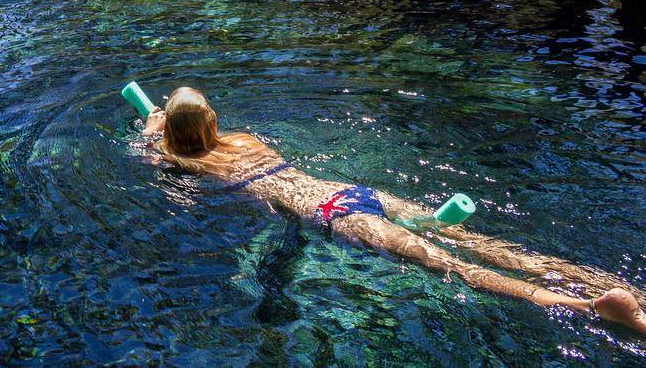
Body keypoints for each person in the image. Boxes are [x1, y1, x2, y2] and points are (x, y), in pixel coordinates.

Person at [140, 87, 646, 335]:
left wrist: (155, 128)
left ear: (175, 135)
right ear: (215, 119)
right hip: (354, 191)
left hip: (334, 216)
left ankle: (589, 309)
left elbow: (159, 151)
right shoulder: (244, 139)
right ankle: (600, 281)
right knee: (480, 243)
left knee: (454, 268)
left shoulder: (187, 160)